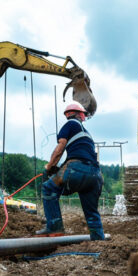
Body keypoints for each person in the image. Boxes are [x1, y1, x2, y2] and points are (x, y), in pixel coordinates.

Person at [37, 102, 105, 240]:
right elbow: (79, 154)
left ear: (69, 115)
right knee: (91, 212)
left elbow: (60, 149)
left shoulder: (70, 125)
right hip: (95, 175)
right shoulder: (87, 134)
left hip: (77, 170)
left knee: (48, 188)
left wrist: (49, 167)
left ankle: (55, 227)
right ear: (81, 115)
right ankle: (99, 242)